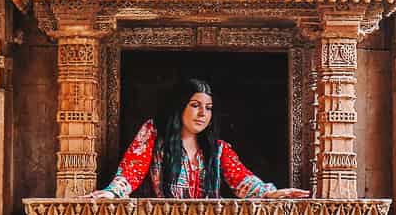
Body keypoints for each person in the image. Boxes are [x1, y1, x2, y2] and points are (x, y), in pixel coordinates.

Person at [86, 77, 309, 200]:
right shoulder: (154, 135)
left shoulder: (218, 149)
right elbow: (131, 171)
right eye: (195, 105)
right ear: (179, 107)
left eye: (209, 108)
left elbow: (243, 181)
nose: (203, 113)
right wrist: (111, 193)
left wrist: (271, 193)